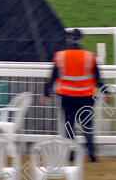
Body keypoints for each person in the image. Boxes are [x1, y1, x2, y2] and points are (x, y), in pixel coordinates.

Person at [42, 28, 106, 162]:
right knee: (87, 125)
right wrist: (105, 91)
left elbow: (53, 76)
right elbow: (97, 77)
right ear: (81, 40)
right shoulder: (89, 56)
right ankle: (91, 154)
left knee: (69, 125)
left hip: (67, 96)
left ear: (68, 39)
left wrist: (46, 92)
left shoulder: (60, 56)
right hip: (86, 96)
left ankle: (71, 154)